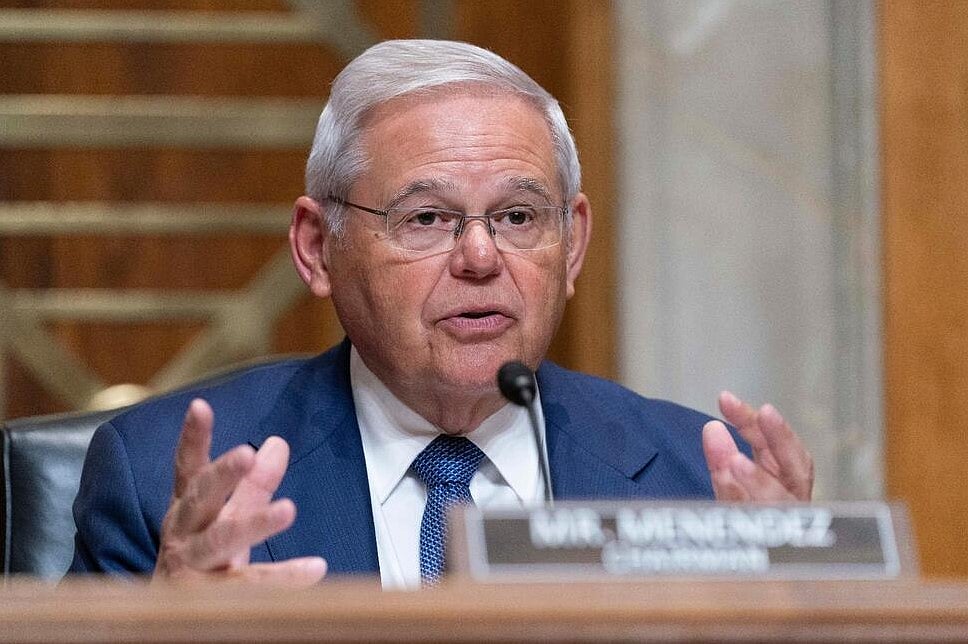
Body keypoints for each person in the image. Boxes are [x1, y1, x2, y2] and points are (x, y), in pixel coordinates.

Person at [69, 40, 813, 589]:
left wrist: (794, 608)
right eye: (426, 219)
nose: (481, 257)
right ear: (317, 248)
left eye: (518, 216)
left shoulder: (699, 484)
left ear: (573, 244)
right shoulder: (157, 485)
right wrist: (165, 630)